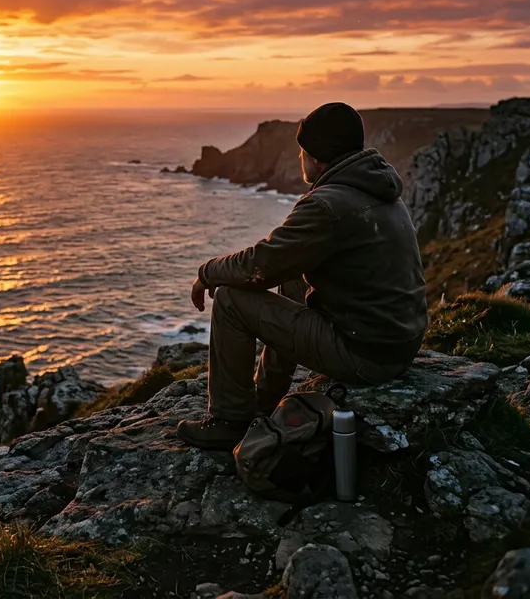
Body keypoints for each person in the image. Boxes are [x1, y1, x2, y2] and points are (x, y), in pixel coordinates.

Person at [176, 102, 428, 450]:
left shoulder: (327, 205)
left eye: (302, 150)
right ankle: (265, 399)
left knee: (231, 299)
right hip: (398, 342)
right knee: (294, 275)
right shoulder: (379, 189)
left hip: (365, 356)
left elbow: (257, 266)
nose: (299, 156)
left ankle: (229, 421)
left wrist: (207, 272)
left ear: (315, 157)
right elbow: (281, 263)